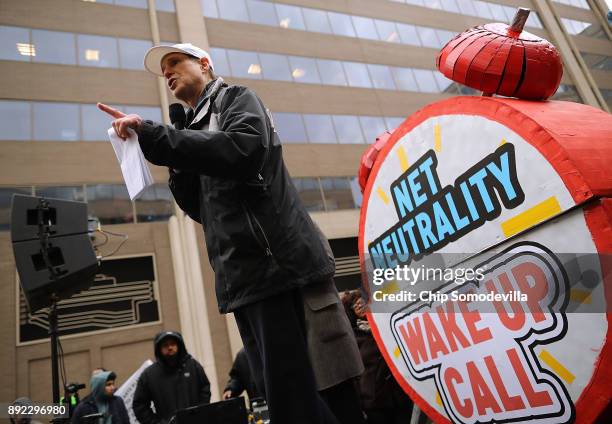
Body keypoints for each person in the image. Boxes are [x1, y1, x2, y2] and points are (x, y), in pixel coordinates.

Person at [98, 43, 338, 424]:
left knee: (295, 398)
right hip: (243, 279)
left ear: (205, 64)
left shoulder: (237, 99)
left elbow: (242, 150)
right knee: (286, 396)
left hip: (273, 268)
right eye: (165, 71)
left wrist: (157, 137)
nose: (168, 73)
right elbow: (204, 210)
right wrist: (174, 156)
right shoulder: (192, 128)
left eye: (175, 62)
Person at [342, 291, 414, 424]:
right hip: (374, 402)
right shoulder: (352, 338)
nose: (360, 305)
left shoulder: (389, 327)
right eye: (355, 305)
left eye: (362, 301)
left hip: (401, 396)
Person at [132, 331, 211, 424]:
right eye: (165, 345)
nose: (170, 347)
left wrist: (199, 413)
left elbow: (205, 389)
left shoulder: (193, 366)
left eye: (173, 344)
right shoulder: (149, 375)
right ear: (159, 349)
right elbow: (139, 405)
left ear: (179, 346)